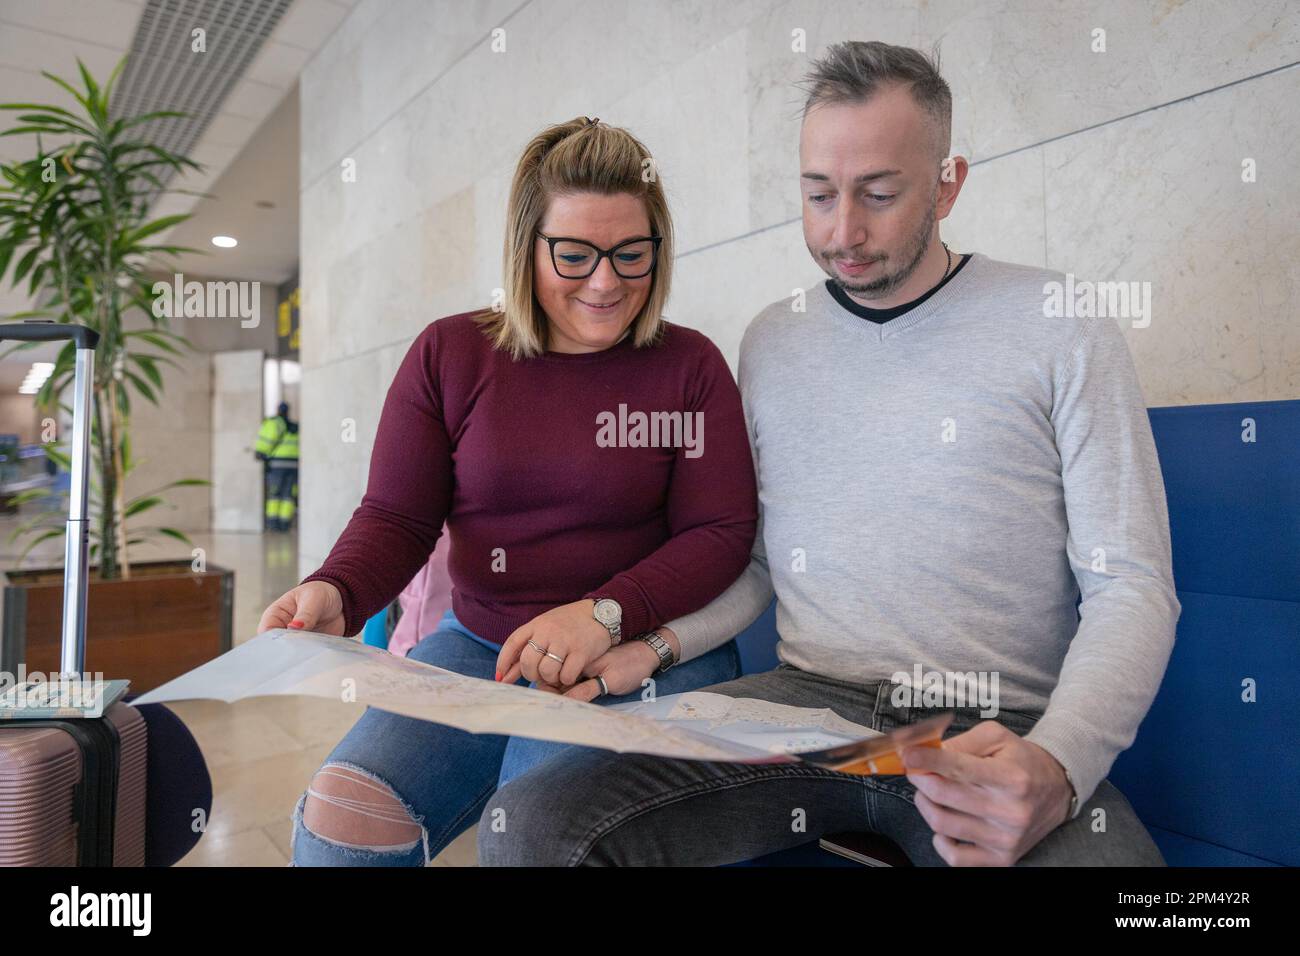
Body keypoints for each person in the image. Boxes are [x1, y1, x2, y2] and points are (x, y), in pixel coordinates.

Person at [479, 41, 1180, 867]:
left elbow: (1131, 585)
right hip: (800, 713)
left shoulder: (1063, 324)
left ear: (949, 183)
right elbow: (760, 564)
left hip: (994, 725)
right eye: (818, 194)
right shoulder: (775, 342)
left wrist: (1058, 765)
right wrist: (651, 647)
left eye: (879, 195)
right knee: (530, 829)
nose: (843, 231)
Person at [257, 116, 759, 866]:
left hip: (638, 654)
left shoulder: (688, 367)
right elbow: (398, 514)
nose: (605, 282)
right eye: (575, 254)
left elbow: (720, 531)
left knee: (531, 832)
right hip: (480, 645)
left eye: (632, 254)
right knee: (339, 824)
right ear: (526, 249)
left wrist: (602, 615)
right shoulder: (450, 354)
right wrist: (338, 587)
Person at [254, 402, 299, 531]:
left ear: (278, 410)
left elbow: (266, 439)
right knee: (288, 495)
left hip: (277, 464)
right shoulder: (295, 427)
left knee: (274, 493)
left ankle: (273, 523)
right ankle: (285, 523)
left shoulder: (274, 423)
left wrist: (259, 452)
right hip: (294, 465)